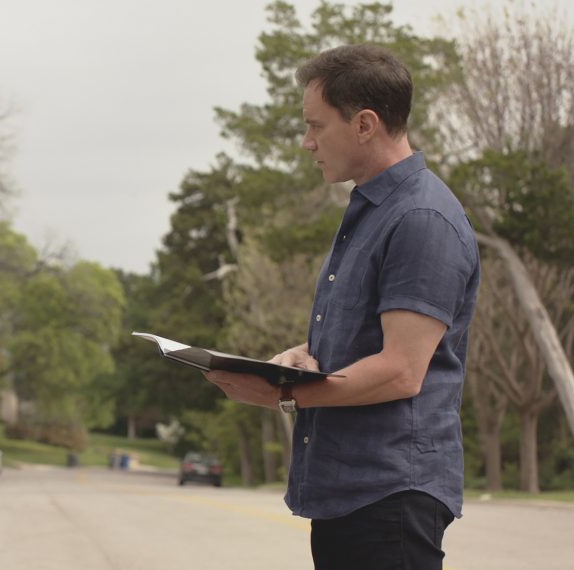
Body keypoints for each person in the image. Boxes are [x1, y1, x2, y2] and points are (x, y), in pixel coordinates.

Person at [205, 44, 480, 569]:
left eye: (316, 126)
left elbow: (402, 371)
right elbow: (365, 336)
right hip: (349, 491)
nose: (307, 143)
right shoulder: (374, 210)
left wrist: (282, 397)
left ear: (365, 124)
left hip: (391, 494)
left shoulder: (421, 218)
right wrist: (298, 357)